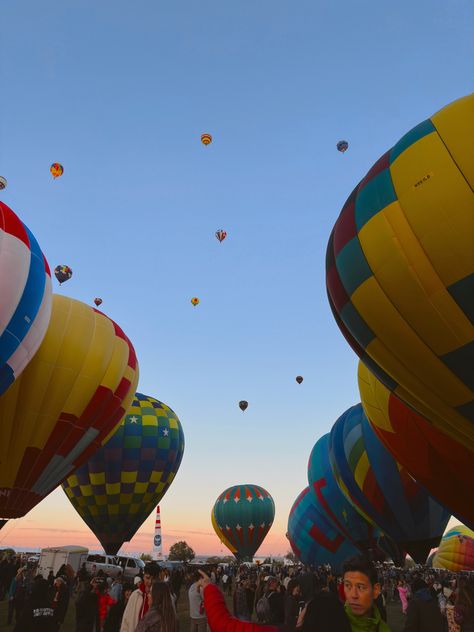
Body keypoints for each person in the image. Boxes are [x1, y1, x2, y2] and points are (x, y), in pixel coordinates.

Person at [121, 562, 162, 632]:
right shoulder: (136, 595)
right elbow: (126, 621)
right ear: (143, 577)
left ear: (158, 578)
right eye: (147, 578)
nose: (150, 582)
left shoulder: (163, 596)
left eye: (153, 579)